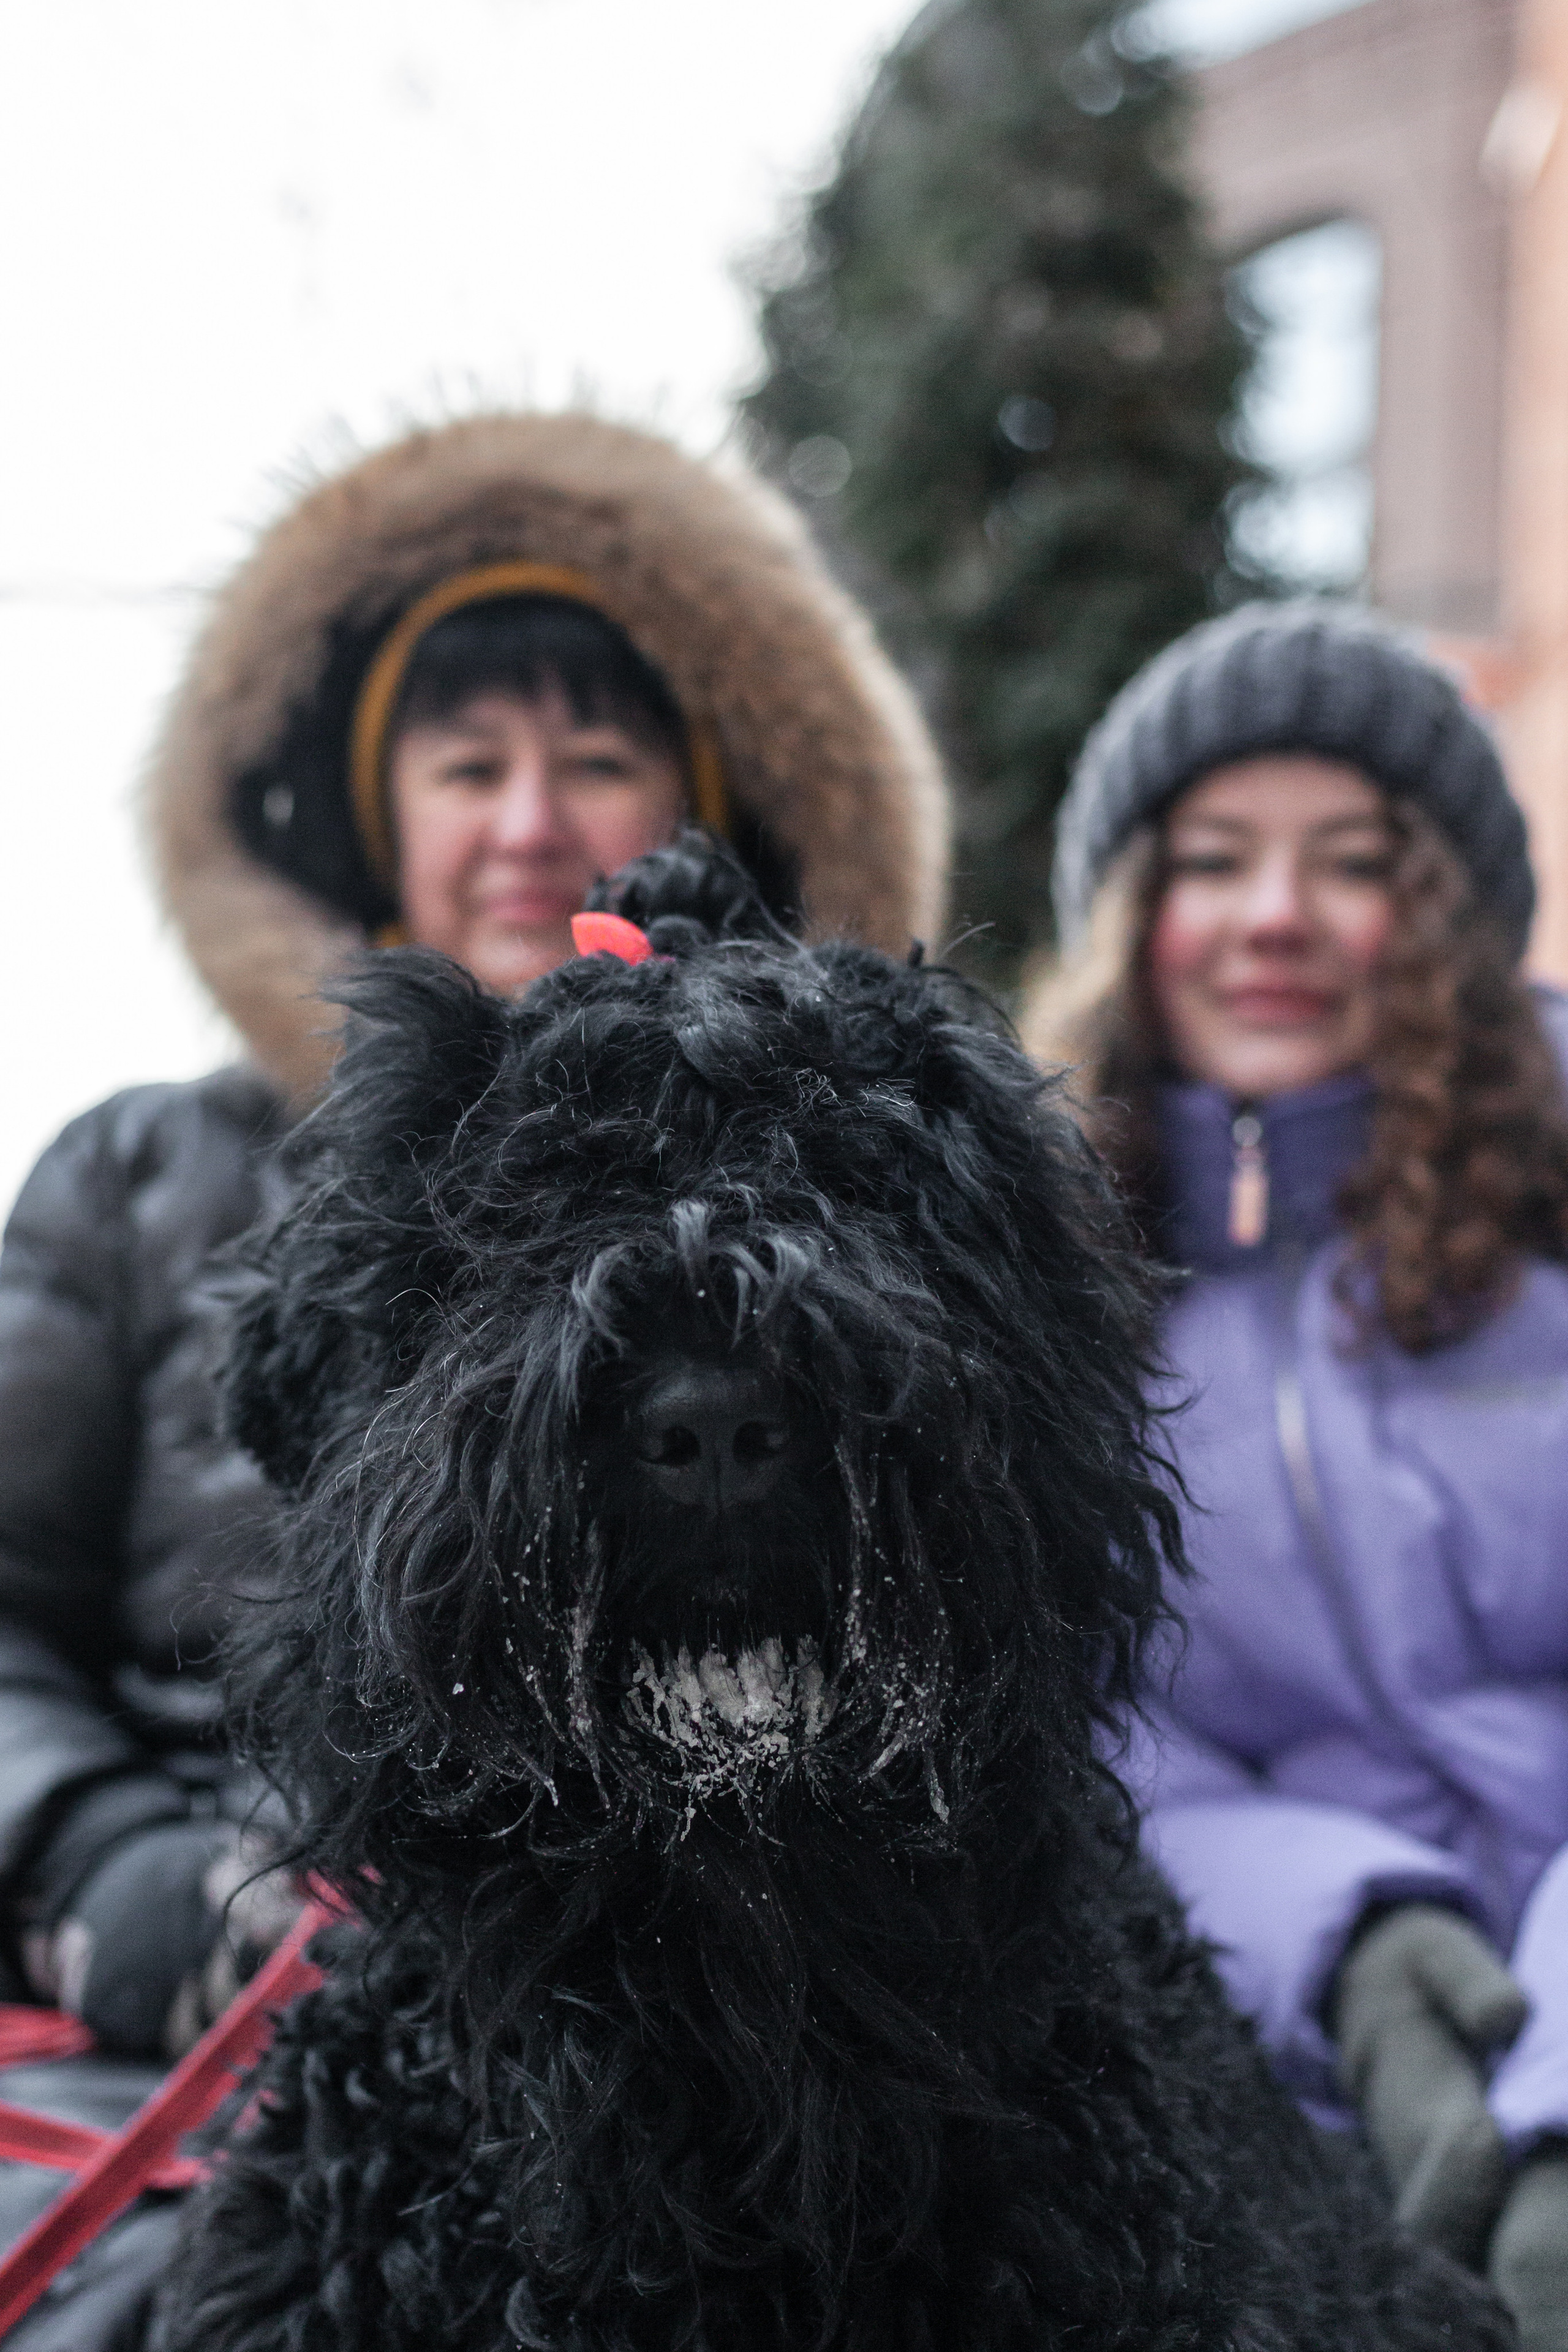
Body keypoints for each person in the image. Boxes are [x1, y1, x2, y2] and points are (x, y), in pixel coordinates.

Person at [0, 410, 949, 2070]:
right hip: (198, 2022)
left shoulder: (867, 1203)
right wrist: (106, 1871)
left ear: (695, 810)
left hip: (691, 2037)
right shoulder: (143, 1172)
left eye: (594, 764)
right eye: (466, 766)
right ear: (377, 822)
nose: (529, 822)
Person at [1025, 601, 1568, 2349]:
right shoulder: (1033, 1284)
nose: (1275, 919)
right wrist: (1340, 1943)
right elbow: (1082, 1749)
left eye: (1353, 863)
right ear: (1130, 910)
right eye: (1214, 861)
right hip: (1272, 2062)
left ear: (1446, 918)